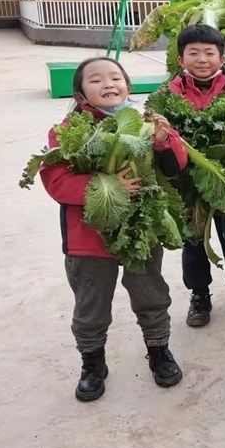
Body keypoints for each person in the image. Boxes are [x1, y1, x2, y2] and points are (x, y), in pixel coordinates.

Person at [40, 57, 186, 402]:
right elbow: (56, 180)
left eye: (115, 77)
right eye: (95, 80)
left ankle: (159, 350)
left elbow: (175, 166)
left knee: (150, 294)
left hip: (141, 230)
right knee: (91, 304)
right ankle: (92, 363)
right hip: (89, 237)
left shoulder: (146, 124)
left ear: (128, 86)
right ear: (79, 94)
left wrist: (166, 140)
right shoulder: (66, 131)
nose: (108, 84)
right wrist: (107, 184)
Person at [167, 24, 225, 327]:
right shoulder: (168, 93)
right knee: (193, 245)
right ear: (181, 60)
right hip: (188, 185)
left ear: (223, 58)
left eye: (209, 53)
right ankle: (199, 295)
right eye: (193, 53)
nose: (202, 59)